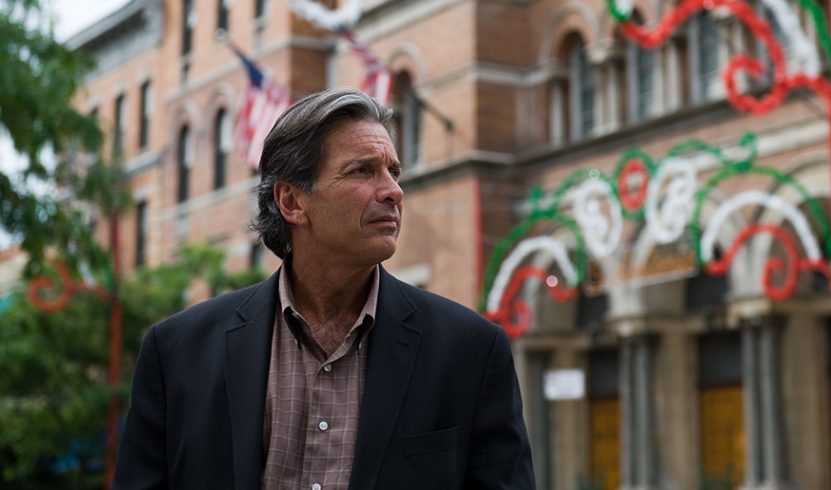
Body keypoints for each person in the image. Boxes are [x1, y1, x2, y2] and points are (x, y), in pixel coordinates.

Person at [112, 89, 535, 489]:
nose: (393, 191)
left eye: (393, 171)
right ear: (292, 202)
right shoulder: (177, 354)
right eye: (362, 171)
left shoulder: (471, 352)